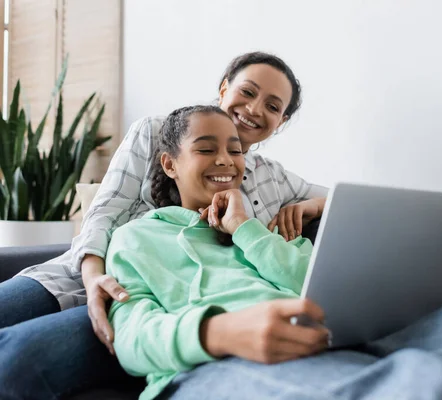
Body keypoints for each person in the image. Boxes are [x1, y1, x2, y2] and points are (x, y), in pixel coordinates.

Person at [108, 105, 442, 400]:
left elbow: (316, 282)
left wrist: (247, 231)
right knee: (421, 384)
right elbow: (130, 338)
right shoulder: (136, 238)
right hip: (211, 369)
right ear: (170, 163)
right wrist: (219, 331)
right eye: (206, 147)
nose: (226, 160)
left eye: (236, 149)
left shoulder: (264, 227)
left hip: (333, 336)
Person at [0, 52, 327, 399]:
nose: (254, 109)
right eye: (247, 92)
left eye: (273, 106)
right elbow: (105, 212)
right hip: (92, 273)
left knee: (20, 357)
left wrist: (308, 205)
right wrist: (94, 277)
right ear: (224, 88)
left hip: (155, 301)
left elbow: (343, 198)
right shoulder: (158, 132)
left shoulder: (272, 176)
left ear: (282, 119)